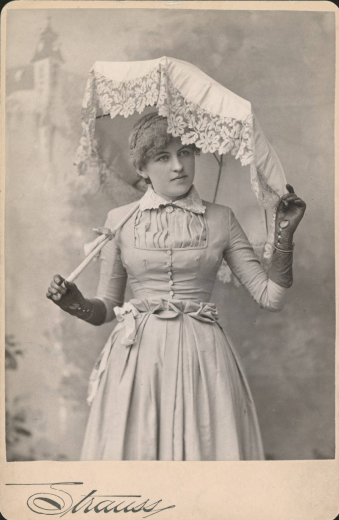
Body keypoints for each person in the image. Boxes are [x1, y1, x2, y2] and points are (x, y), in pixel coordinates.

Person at [46, 112, 306, 461]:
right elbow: (107, 308)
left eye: (185, 152)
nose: (178, 166)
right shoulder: (119, 221)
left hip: (203, 360)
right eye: (162, 157)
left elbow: (270, 297)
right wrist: (75, 302)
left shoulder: (221, 218)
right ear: (142, 168)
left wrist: (285, 236)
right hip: (137, 361)